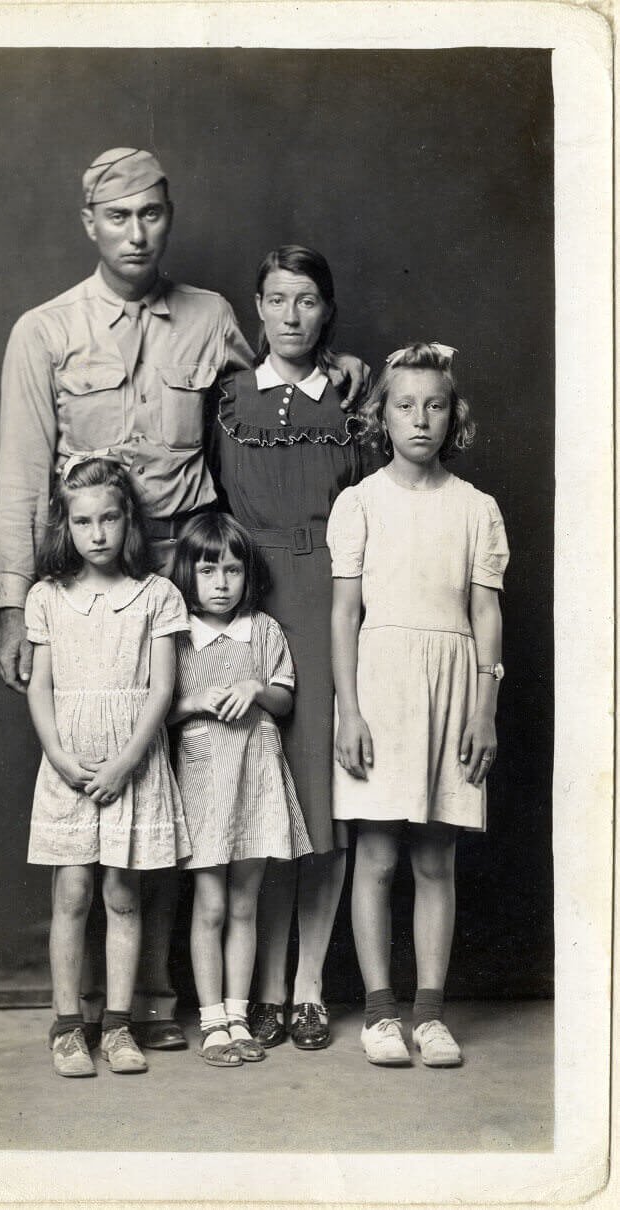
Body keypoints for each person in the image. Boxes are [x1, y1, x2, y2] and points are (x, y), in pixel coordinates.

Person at [0, 150, 366, 1046]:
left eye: (151, 215)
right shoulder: (42, 331)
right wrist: (14, 602)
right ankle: (101, 1010)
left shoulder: (209, 316)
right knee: (106, 775)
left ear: (169, 218)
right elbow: (19, 477)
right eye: (117, 217)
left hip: (199, 588)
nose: (136, 232)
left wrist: (340, 367)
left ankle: (168, 1001)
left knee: (192, 780)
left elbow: (268, 392)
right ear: (89, 222)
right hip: (95, 589)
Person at [327, 342, 509, 1067]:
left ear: (452, 415)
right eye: (405, 405)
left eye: (435, 405)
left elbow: (487, 612)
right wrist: (349, 710)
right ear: (383, 416)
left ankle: (430, 1013)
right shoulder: (360, 501)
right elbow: (344, 614)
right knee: (374, 855)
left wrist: (485, 706)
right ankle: (380, 1014)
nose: (420, 419)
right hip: (380, 686)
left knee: (437, 857)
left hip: (454, 683)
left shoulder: (477, 508)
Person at [209, 246, 373, 1050]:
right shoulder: (231, 397)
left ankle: (308, 987)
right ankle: (262, 987)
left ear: (326, 310)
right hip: (246, 596)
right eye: (277, 300)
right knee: (257, 795)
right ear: (258, 307)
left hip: (328, 599)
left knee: (319, 801)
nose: (292, 316)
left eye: (308, 300)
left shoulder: (354, 401)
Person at [24, 456, 190, 1076]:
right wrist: (62, 759)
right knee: (72, 891)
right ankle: (70, 1026)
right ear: (66, 525)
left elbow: (160, 691)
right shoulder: (47, 597)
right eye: (83, 521)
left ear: (129, 521)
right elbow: (40, 688)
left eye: (109, 519)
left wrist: (125, 762)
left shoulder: (157, 595)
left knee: (122, 892)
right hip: (69, 764)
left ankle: (119, 1024)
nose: (97, 533)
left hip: (131, 764)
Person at [169, 514, 312, 1066]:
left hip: (255, 783)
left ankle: (237, 1013)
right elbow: (163, 709)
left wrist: (257, 688)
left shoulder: (263, 630)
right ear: (190, 574)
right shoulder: (180, 636)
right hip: (206, 784)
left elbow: (286, 698)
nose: (222, 583)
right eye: (209, 571)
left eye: (232, 570)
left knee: (244, 904)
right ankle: (211, 1022)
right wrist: (197, 703)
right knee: (209, 905)